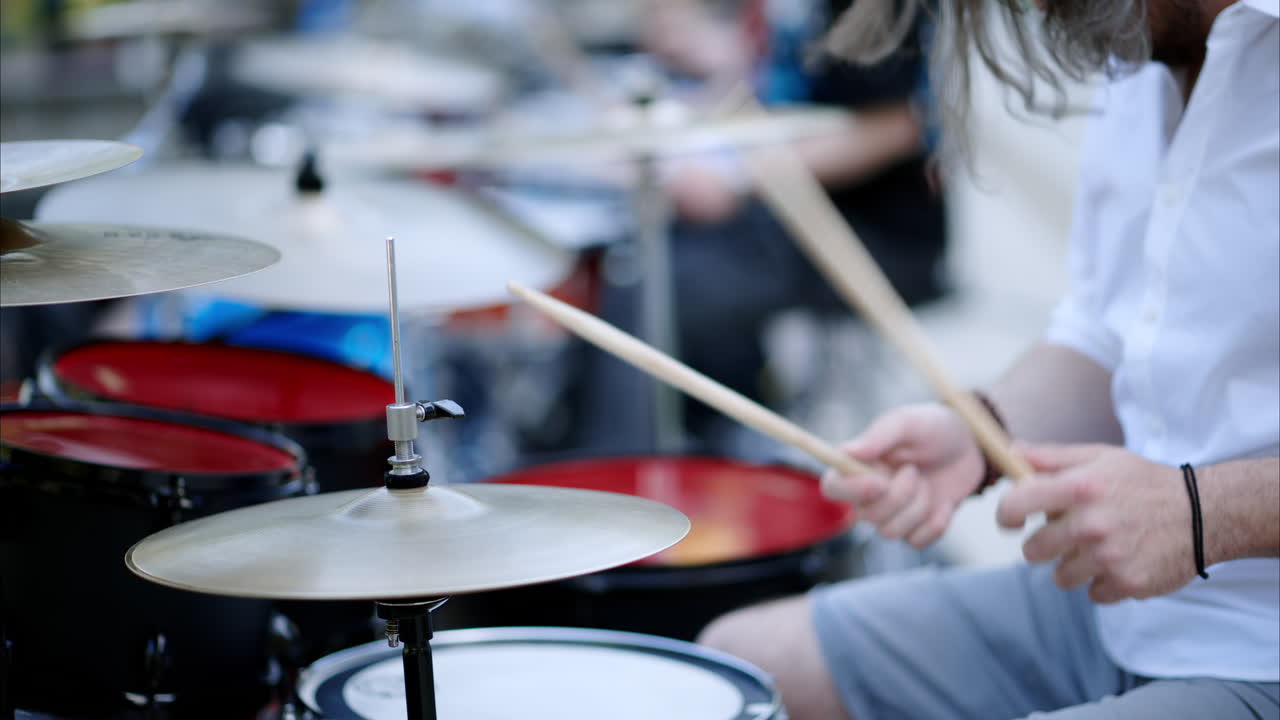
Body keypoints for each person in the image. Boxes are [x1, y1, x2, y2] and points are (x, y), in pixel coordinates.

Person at [696, 1, 1280, 718]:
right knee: (742, 667)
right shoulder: (1143, 51)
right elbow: (1107, 338)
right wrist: (980, 430)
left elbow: (1192, 512)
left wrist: (1200, 513)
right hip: (1125, 613)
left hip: (1263, 648)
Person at [574, 0, 948, 456]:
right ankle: (711, 451)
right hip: (784, 216)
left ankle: (622, 475)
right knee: (656, 250)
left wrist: (738, 181)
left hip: (870, 237)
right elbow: (770, 91)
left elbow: (900, 124)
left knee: (653, 287)